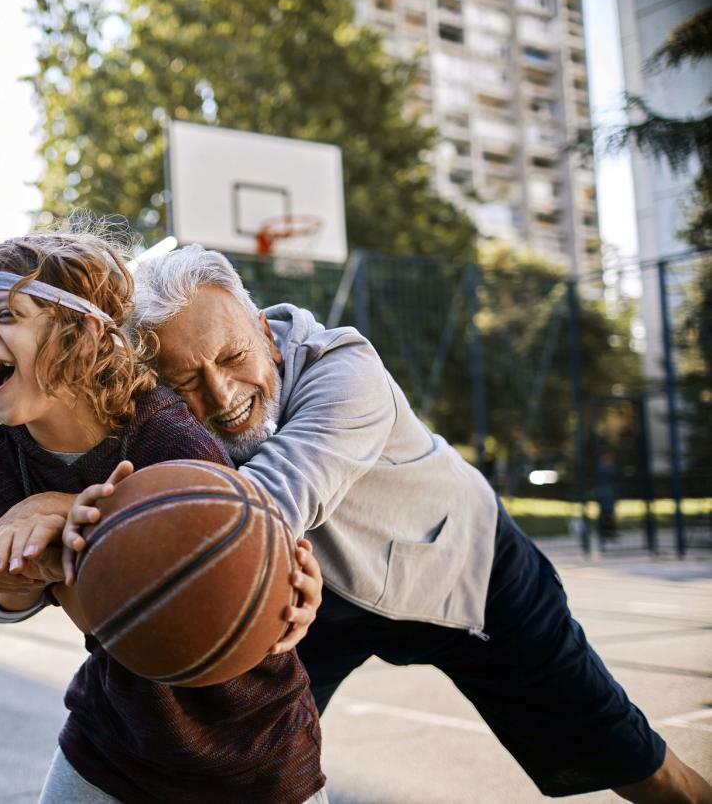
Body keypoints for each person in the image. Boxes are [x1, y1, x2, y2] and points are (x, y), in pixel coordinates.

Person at [110, 243, 709, 803]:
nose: (219, 394)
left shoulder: (345, 371)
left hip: (461, 569)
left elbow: (262, 508)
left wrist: (91, 518)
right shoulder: (164, 414)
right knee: (225, 761)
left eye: (233, 357)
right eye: (185, 381)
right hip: (318, 600)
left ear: (265, 332)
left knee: (631, 760)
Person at [0, 228, 327, 803]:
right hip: (115, 741)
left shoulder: (164, 432)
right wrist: (14, 583)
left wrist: (290, 583)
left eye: (6, 314)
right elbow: (104, 625)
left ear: (76, 331)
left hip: (253, 746)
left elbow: (245, 567)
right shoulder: (2, 461)